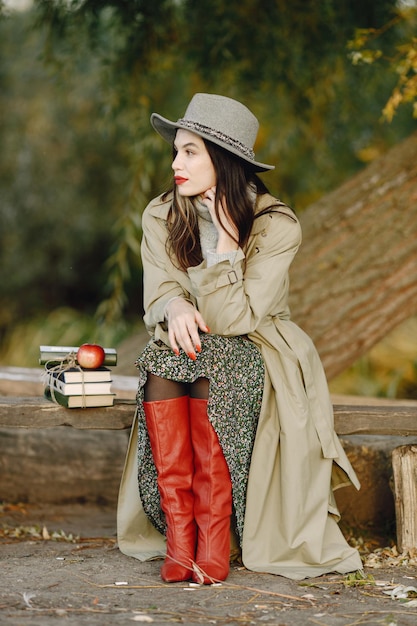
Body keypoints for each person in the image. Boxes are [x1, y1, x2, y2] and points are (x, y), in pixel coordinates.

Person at [117, 93, 362, 583]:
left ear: (223, 162)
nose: (176, 164)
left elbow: (238, 318)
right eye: (176, 151)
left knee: (216, 359)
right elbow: (158, 291)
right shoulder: (161, 213)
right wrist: (174, 303)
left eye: (190, 152)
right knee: (161, 359)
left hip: (259, 345)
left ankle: (213, 539)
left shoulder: (275, 226)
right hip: (187, 344)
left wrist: (228, 246)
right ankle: (180, 539)